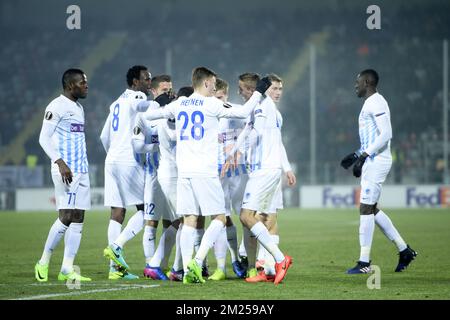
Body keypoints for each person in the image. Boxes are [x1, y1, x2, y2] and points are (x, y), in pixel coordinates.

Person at [142, 67, 271, 284]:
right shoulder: (211, 104)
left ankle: (185, 270)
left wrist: (160, 102)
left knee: (189, 220)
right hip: (205, 170)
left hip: (184, 172)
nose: (214, 86)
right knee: (219, 218)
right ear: (205, 83)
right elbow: (242, 112)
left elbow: (147, 116)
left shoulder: (180, 103)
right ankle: (197, 260)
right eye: (212, 83)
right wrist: (258, 91)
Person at [340, 69, 417, 274]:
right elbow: (372, 138)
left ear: (367, 82)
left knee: (365, 208)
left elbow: (386, 134)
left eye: (358, 82)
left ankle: (364, 262)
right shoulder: (371, 103)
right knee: (371, 209)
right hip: (371, 160)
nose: (355, 85)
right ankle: (404, 250)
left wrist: (364, 156)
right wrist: (357, 155)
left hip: (377, 161)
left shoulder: (376, 102)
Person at [223, 74, 294, 285]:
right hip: (264, 170)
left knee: (248, 217)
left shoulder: (264, 106)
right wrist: (234, 152)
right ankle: (265, 266)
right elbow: (248, 131)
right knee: (260, 218)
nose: (278, 93)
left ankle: (278, 260)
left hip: (264, 170)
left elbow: (256, 133)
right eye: (275, 88)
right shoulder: (265, 108)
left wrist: (239, 152)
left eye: (280, 89)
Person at [100, 65, 157, 280]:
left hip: (111, 160)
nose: (149, 82)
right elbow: (142, 104)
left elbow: (103, 137)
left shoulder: (116, 102)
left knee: (117, 212)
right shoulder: (136, 96)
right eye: (146, 78)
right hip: (127, 161)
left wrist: (113, 154)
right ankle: (116, 246)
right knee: (145, 209)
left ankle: (115, 269)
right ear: (135, 82)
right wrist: (159, 101)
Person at [35, 68, 91, 282]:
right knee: (66, 216)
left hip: (81, 169)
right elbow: (43, 138)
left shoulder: (78, 107)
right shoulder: (56, 106)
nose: (86, 85)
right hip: (65, 169)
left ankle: (67, 268)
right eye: (82, 82)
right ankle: (43, 262)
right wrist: (59, 162)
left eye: (86, 82)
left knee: (78, 218)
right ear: (70, 85)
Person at [208, 78, 247, 281]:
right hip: (216, 173)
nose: (217, 101)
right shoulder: (207, 115)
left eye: (221, 97)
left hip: (239, 172)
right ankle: (223, 266)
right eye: (215, 97)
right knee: (221, 218)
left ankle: (247, 259)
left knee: (246, 216)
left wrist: (240, 151)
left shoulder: (237, 111)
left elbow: (252, 132)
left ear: (226, 95)